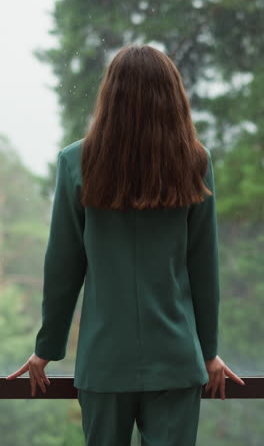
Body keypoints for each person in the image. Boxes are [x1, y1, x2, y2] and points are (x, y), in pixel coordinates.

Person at [6, 44, 245, 445]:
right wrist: (209, 352)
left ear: (110, 95)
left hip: (105, 362)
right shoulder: (195, 162)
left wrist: (46, 348)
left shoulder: (76, 162)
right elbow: (204, 268)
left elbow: (64, 267)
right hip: (176, 360)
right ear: (172, 96)